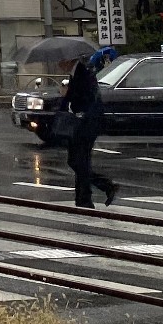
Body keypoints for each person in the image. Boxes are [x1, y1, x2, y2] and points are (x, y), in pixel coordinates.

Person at [62, 58, 119, 210]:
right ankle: (97, 190)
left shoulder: (84, 72)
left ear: (68, 60)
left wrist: (78, 108)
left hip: (88, 123)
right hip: (82, 123)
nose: (58, 65)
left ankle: (86, 198)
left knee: (79, 160)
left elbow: (89, 97)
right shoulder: (76, 73)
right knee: (77, 161)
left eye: (61, 61)